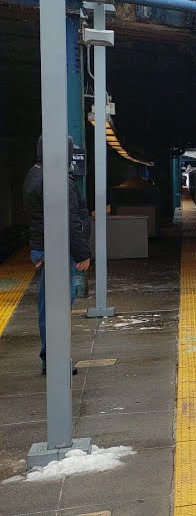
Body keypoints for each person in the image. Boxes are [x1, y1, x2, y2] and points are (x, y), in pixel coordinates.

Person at [23, 136, 91, 376]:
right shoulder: (53, 179)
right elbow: (69, 217)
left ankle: (52, 357)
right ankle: (54, 359)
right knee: (57, 305)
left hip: (47, 248)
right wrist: (82, 252)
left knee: (52, 305)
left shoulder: (36, 173)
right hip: (56, 251)